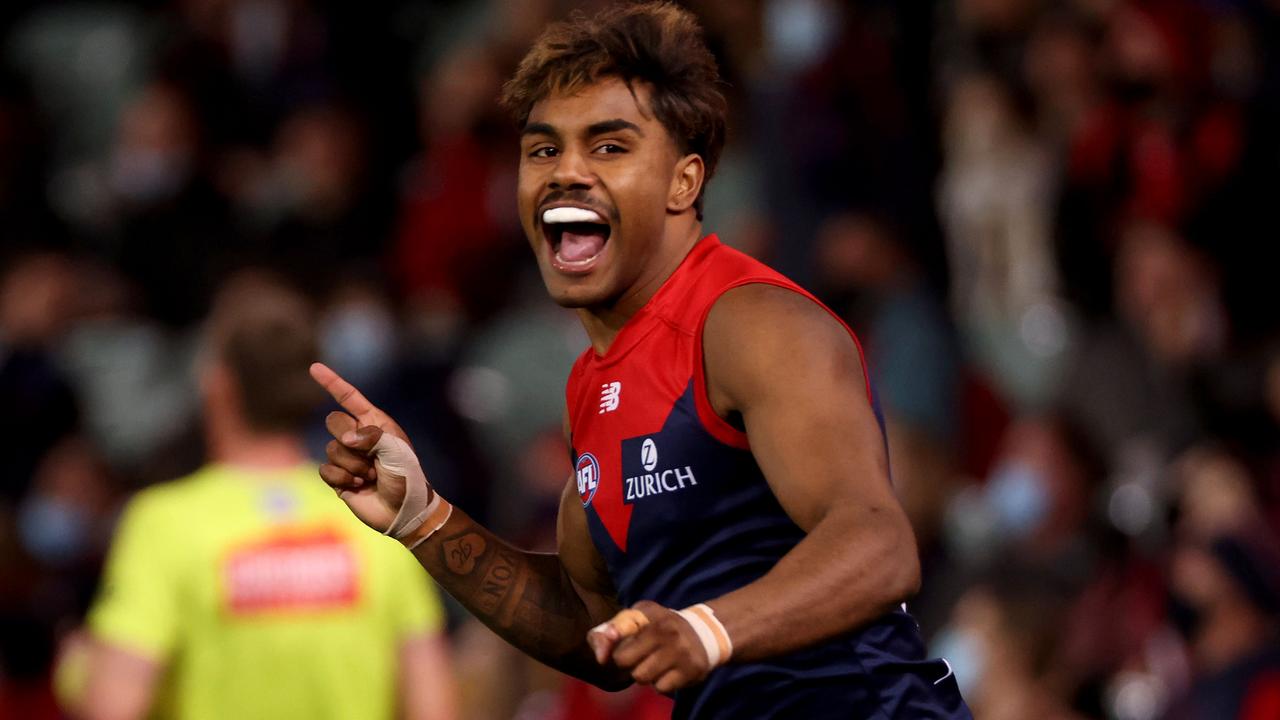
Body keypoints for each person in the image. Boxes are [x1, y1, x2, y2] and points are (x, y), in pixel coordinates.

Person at [313, 3, 970, 718]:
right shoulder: (592, 385)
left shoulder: (752, 323)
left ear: (684, 183)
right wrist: (426, 520)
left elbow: (878, 541)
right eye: (542, 150)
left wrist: (707, 629)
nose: (566, 172)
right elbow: (594, 623)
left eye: (609, 146)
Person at [61, 273, 458, 720]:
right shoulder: (376, 513)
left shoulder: (163, 522)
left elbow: (113, 706)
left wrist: (77, 670)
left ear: (218, 383)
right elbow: (434, 705)